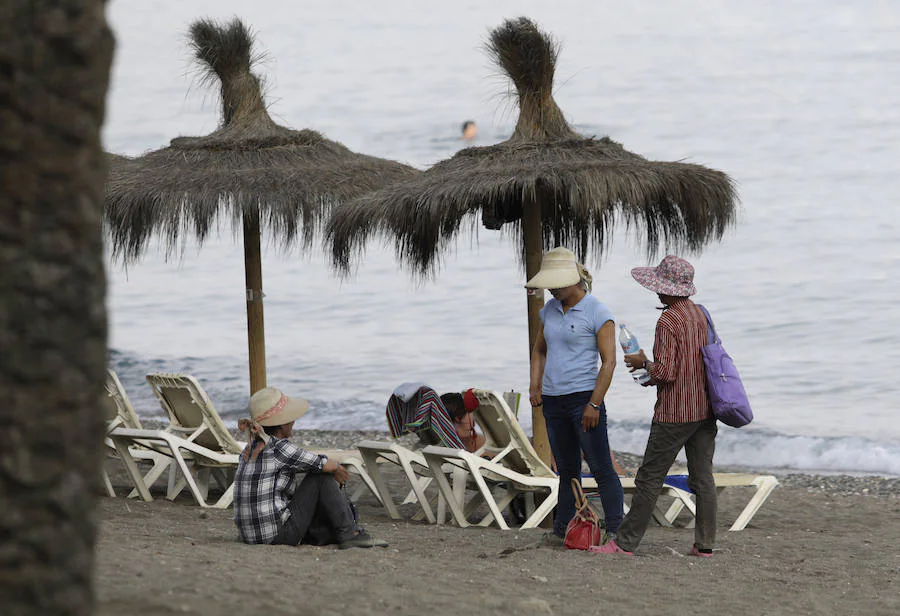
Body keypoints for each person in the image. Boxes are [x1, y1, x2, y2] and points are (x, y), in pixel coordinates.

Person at [591, 255, 717, 557]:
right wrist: (651, 365)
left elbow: (666, 373)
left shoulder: (668, 320)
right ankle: (705, 545)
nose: (656, 291)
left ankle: (624, 543)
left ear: (669, 289)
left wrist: (642, 362)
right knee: (703, 478)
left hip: (675, 412)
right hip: (705, 408)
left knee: (648, 478)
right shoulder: (700, 314)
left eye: (660, 286)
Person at [526, 247, 624, 546]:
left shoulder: (599, 312)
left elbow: (609, 362)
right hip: (553, 400)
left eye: (558, 283)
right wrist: (535, 385)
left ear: (575, 279)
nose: (553, 289)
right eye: (550, 284)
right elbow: (539, 350)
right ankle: (562, 529)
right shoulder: (549, 310)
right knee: (566, 469)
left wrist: (594, 403)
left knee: (599, 465)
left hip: (584, 397)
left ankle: (616, 529)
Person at [233, 386, 388, 550]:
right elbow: (323, 464)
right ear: (282, 424)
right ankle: (349, 533)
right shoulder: (279, 448)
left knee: (316, 476)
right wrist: (337, 469)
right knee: (320, 477)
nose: (293, 422)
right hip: (276, 536)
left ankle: (334, 532)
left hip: (249, 535)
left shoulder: (249, 449)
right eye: (290, 419)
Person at [441, 389, 486, 454]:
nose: (474, 416)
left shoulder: (445, 440)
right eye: (470, 411)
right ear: (458, 417)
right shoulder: (480, 442)